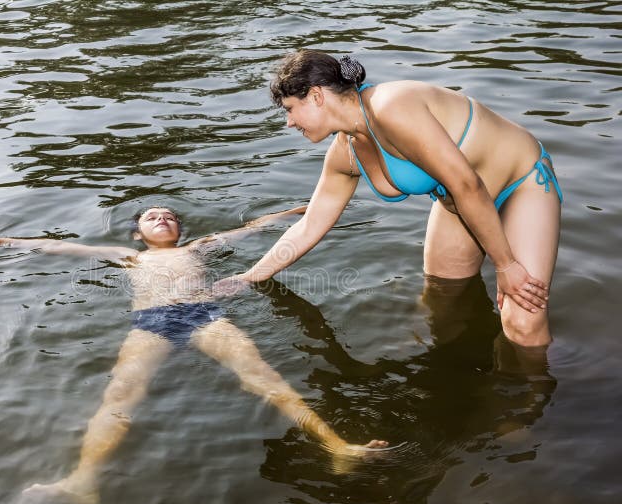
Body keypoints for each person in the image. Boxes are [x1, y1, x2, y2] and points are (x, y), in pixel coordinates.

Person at [0, 206, 388, 504]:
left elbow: (254, 227)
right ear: (137, 233)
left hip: (204, 315)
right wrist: (1, 242)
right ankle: (81, 481)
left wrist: (297, 213)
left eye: (169, 217)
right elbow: (57, 247)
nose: (162, 219)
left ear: (180, 229)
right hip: (151, 323)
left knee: (264, 378)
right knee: (120, 396)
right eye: (151, 217)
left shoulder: (199, 247)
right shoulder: (127, 256)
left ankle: (338, 447)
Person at [216, 49, 562, 347]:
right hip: (459, 206)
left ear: (317, 95)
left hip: (521, 184)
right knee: (442, 297)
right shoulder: (344, 154)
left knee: (522, 322)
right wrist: (249, 277)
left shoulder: (391, 106)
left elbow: (467, 184)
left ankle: (546, 405)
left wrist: (506, 265)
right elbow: (309, 226)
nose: (289, 122)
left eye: (290, 108)